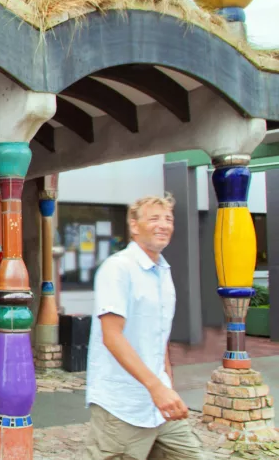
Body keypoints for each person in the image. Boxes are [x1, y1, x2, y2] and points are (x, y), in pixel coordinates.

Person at [84, 194, 205, 459]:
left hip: (159, 406)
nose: (163, 224)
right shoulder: (118, 268)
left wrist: (166, 384)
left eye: (168, 219)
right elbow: (112, 336)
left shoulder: (162, 271)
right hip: (122, 406)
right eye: (154, 218)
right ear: (134, 226)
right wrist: (157, 388)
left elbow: (158, 337)